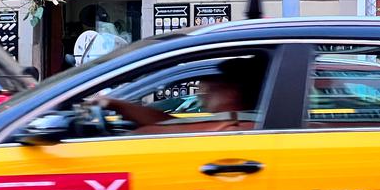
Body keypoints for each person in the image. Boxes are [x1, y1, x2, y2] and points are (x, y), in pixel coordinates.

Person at [91, 56, 267, 131]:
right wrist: (115, 104)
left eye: (213, 83)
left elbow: (170, 129)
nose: (201, 90)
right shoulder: (233, 120)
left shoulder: (241, 127)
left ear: (232, 92)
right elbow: (168, 123)